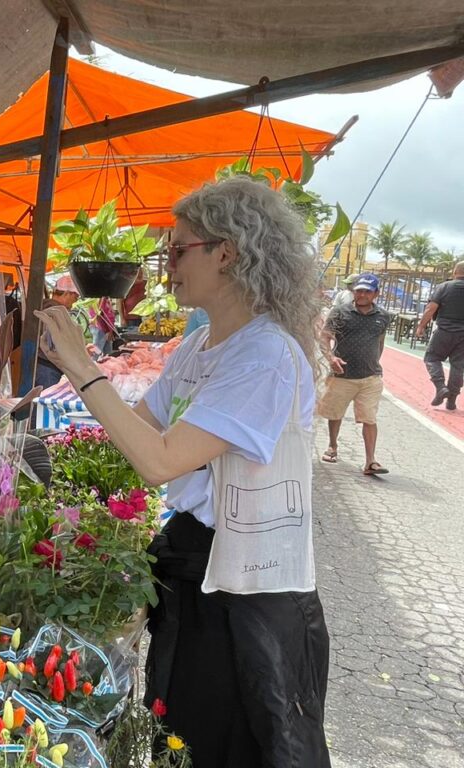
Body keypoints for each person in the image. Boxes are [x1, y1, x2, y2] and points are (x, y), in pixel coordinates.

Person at [36, 176, 330, 767]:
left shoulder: (265, 354)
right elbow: (136, 430)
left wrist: (77, 362)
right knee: (181, 731)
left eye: (177, 249)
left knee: (236, 743)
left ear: (227, 251)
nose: (166, 266)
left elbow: (159, 460)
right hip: (193, 559)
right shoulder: (199, 351)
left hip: (248, 581)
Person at [317, 273, 393, 475]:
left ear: (376, 293)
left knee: (369, 417)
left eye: (367, 291)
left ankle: (370, 461)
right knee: (335, 413)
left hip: (370, 377)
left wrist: (375, 362)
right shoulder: (340, 312)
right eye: (359, 290)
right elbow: (324, 337)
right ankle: (332, 446)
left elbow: (380, 342)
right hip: (342, 376)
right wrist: (331, 358)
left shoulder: (383, 316)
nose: (362, 294)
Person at [415, 260, 464, 410]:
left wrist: (421, 326)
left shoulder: (444, 287)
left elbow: (431, 308)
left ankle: (440, 386)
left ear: (455, 272)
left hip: (444, 331)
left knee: (432, 358)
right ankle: (452, 400)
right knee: (458, 367)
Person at [34, 274, 80, 387]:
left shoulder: (43, 306)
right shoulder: (55, 312)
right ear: (66, 293)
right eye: (75, 297)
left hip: (41, 364)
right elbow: (55, 343)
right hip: (48, 367)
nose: (74, 302)